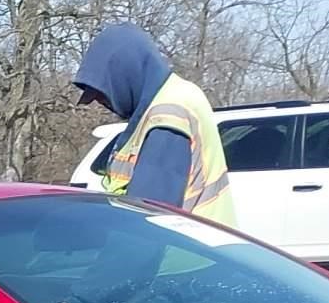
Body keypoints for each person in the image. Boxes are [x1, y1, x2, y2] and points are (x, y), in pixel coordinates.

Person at [72, 22, 236, 226]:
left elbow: (146, 223)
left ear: (123, 74)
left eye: (103, 93)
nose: (103, 102)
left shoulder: (168, 116)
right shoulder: (176, 95)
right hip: (204, 249)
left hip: (185, 254)